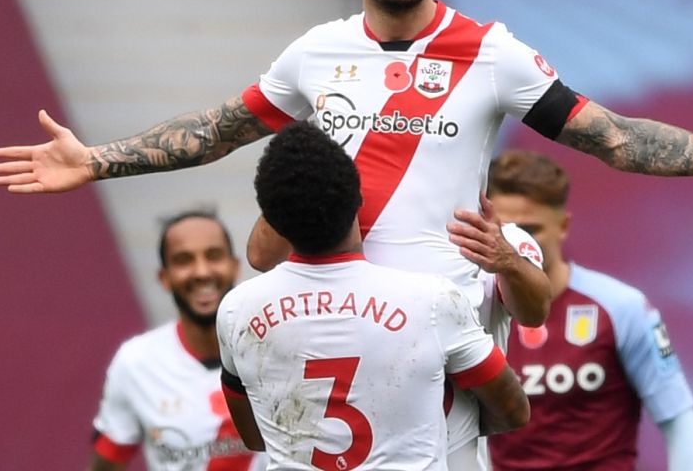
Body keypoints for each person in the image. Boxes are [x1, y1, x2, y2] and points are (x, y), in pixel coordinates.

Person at [0, 0, 693, 461]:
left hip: (440, 330)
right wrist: (96, 161)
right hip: (320, 318)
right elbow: (222, 129)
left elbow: (608, 134)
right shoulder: (317, 52)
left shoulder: (491, 53)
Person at [216, 121, 530, 469]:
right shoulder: (430, 300)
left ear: (272, 219)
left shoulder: (237, 309)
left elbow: (254, 435)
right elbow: (513, 410)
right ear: (359, 198)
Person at [485, 150, 693, 471]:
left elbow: (678, 416)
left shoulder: (622, 307)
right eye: (507, 231)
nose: (520, 245)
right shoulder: (472, 307)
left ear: (562, 226)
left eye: (531, 230)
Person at [88, 209, 264, 471]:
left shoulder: (274, 346)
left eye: (213, 256)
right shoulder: (136, 363)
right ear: (164, 277)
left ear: (234, 266)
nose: (202, 272)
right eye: (184, 260)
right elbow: (105, 463)